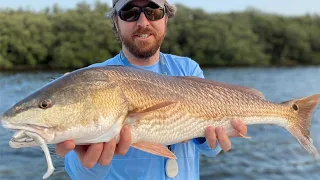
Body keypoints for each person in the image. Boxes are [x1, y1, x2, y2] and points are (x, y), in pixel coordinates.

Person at [55, 0, 248, 179]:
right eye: (130, 13)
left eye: (153, 11)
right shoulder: (91, 79)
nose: (143, 22)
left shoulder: (188, 69)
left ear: (166, 17)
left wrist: (210, 139)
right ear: (116, 20)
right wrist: (89, 162)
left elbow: (211, 150)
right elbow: (78, 173)